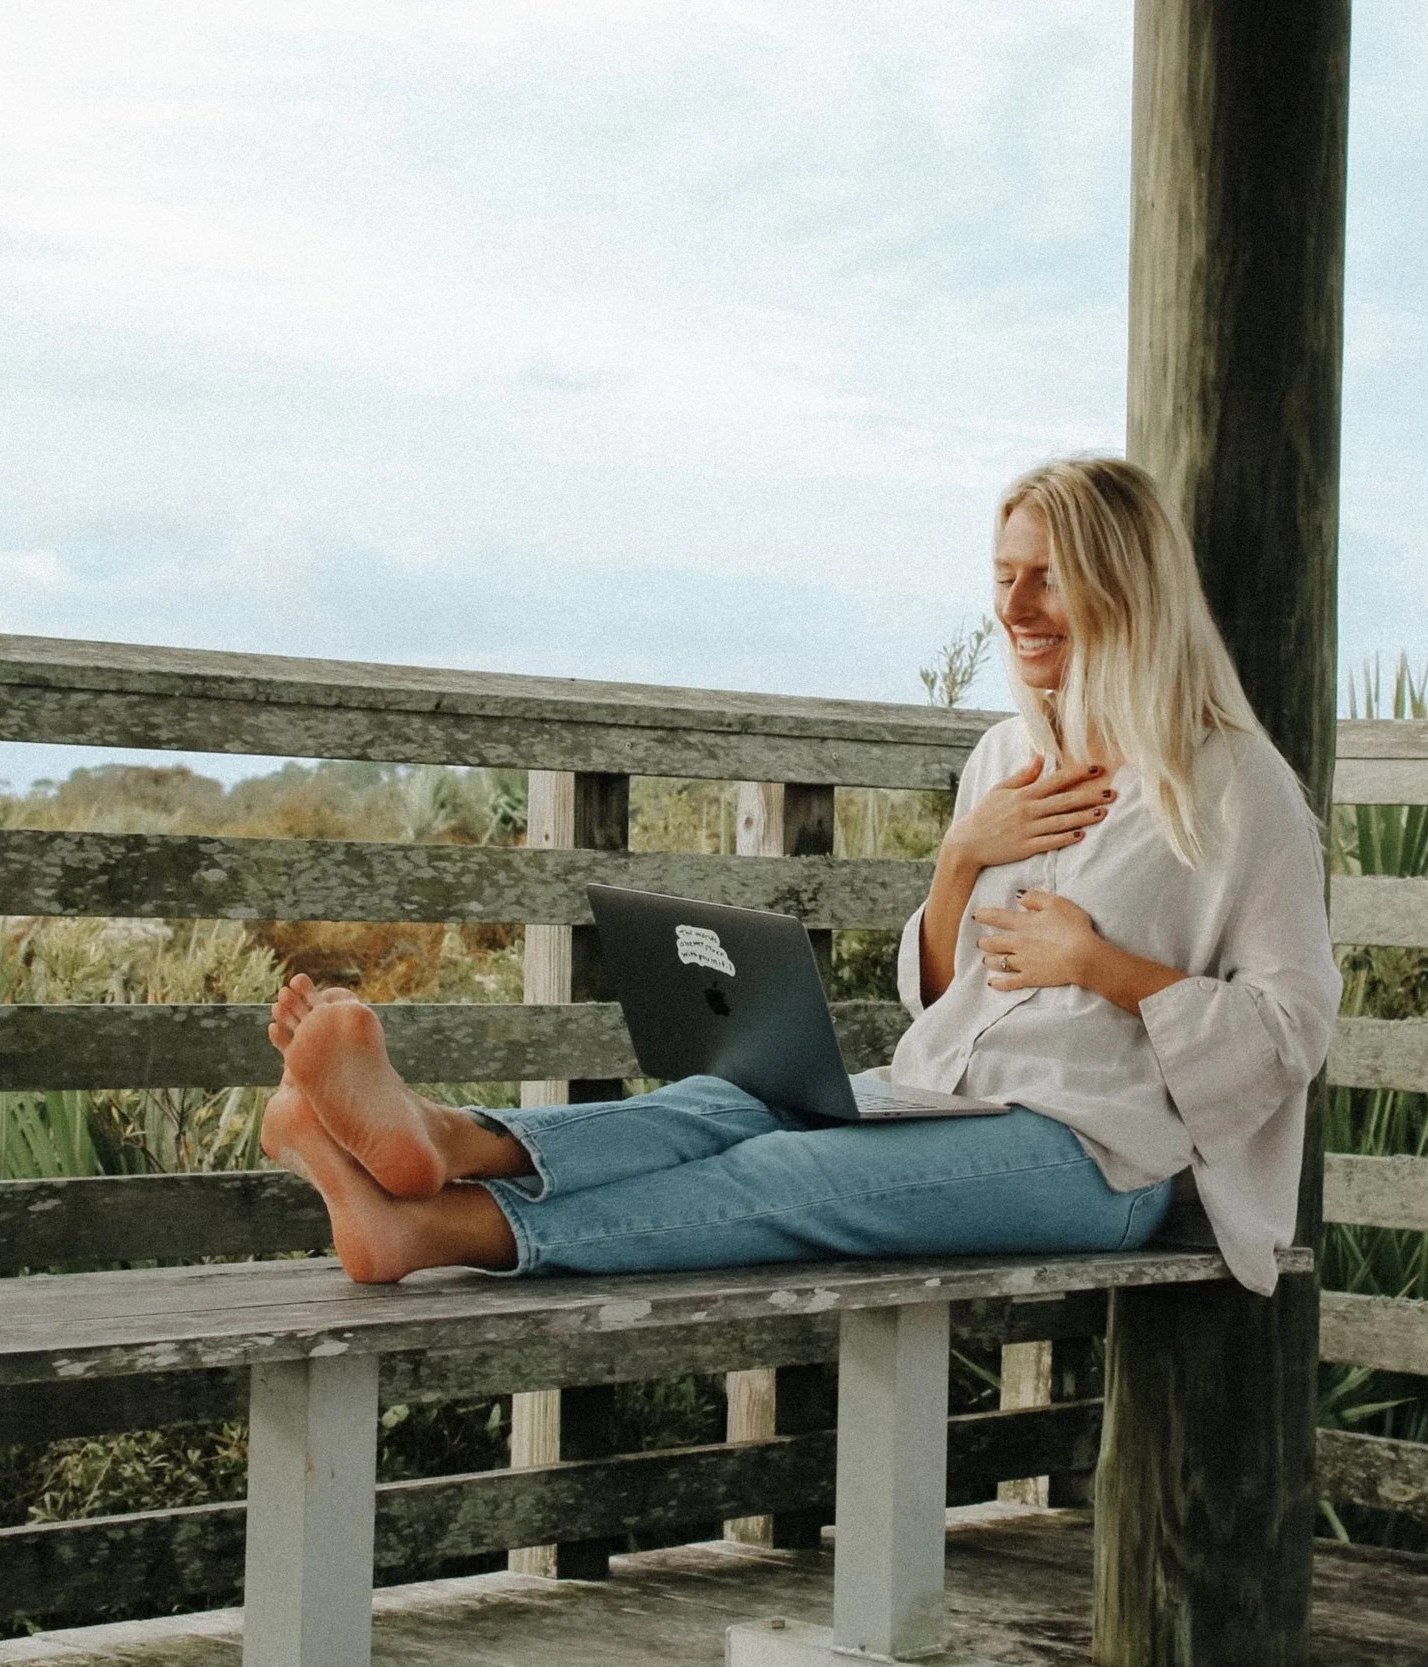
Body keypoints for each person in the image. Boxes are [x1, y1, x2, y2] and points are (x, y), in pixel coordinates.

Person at [259, 456, 1340, 1296]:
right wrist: (960, 859)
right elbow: (942, 995)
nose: (1014, 607)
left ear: (1124, 584)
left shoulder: (1234, 785)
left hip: (1100, 1157)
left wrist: (1104, 968)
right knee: (732, 1102)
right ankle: (443, 1138)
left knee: (787, 1177)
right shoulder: (1007, 757)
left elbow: (1293, 1029)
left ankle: (438, 1226)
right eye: (1003, 576)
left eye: (1047, 577)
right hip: (943, 1095)